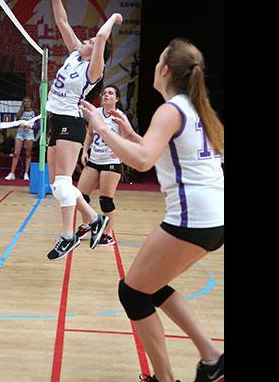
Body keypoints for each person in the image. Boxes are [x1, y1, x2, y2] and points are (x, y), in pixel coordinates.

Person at [78, 38, 225, 382]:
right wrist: (129, 133)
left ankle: (165, 378)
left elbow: (142, 160)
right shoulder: (194, 108)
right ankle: (212, 359)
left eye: (158, 61)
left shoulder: (171, 109)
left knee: (132, 293)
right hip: (212, 218)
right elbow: (153, 150)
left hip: (192, 219)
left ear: (164, 71)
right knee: (150, 286)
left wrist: (101, 127)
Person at [38, 0, 120, 260]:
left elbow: (100, 37)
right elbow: (61, 20)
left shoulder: (93, 70)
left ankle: (68, 236)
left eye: (90, 43)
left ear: (98, 52)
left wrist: (113, 19)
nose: (84, 42)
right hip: (54, 119)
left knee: (62, 183)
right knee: (56, 186)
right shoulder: (75, 54)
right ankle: (95, 220)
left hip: (70, 122)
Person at [74, 85, 125, 247]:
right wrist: (84, 150)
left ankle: (108, 234)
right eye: (105, 93)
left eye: (111, 93)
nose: (106, 95)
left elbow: (127, 138)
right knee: (80, 196)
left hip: (111, 162)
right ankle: (88, 225)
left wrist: (120, 153)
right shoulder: (95, 113)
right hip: (94, 159)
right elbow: (89, 133)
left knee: (106, 200)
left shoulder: (120, 116)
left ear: (117, 99)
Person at [4, 97, 37, 181]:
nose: (26, 103)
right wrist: (20, 125)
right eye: (25, 101)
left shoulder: (35, 112)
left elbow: (38, 125)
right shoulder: (20, 112)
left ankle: (26, 173)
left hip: (29, 132)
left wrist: (31, 126)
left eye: (28, 101)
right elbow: (17, 122)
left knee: (28, 153)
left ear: (31, 103)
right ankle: (12, 173)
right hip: (20, 132)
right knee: (16, 153)